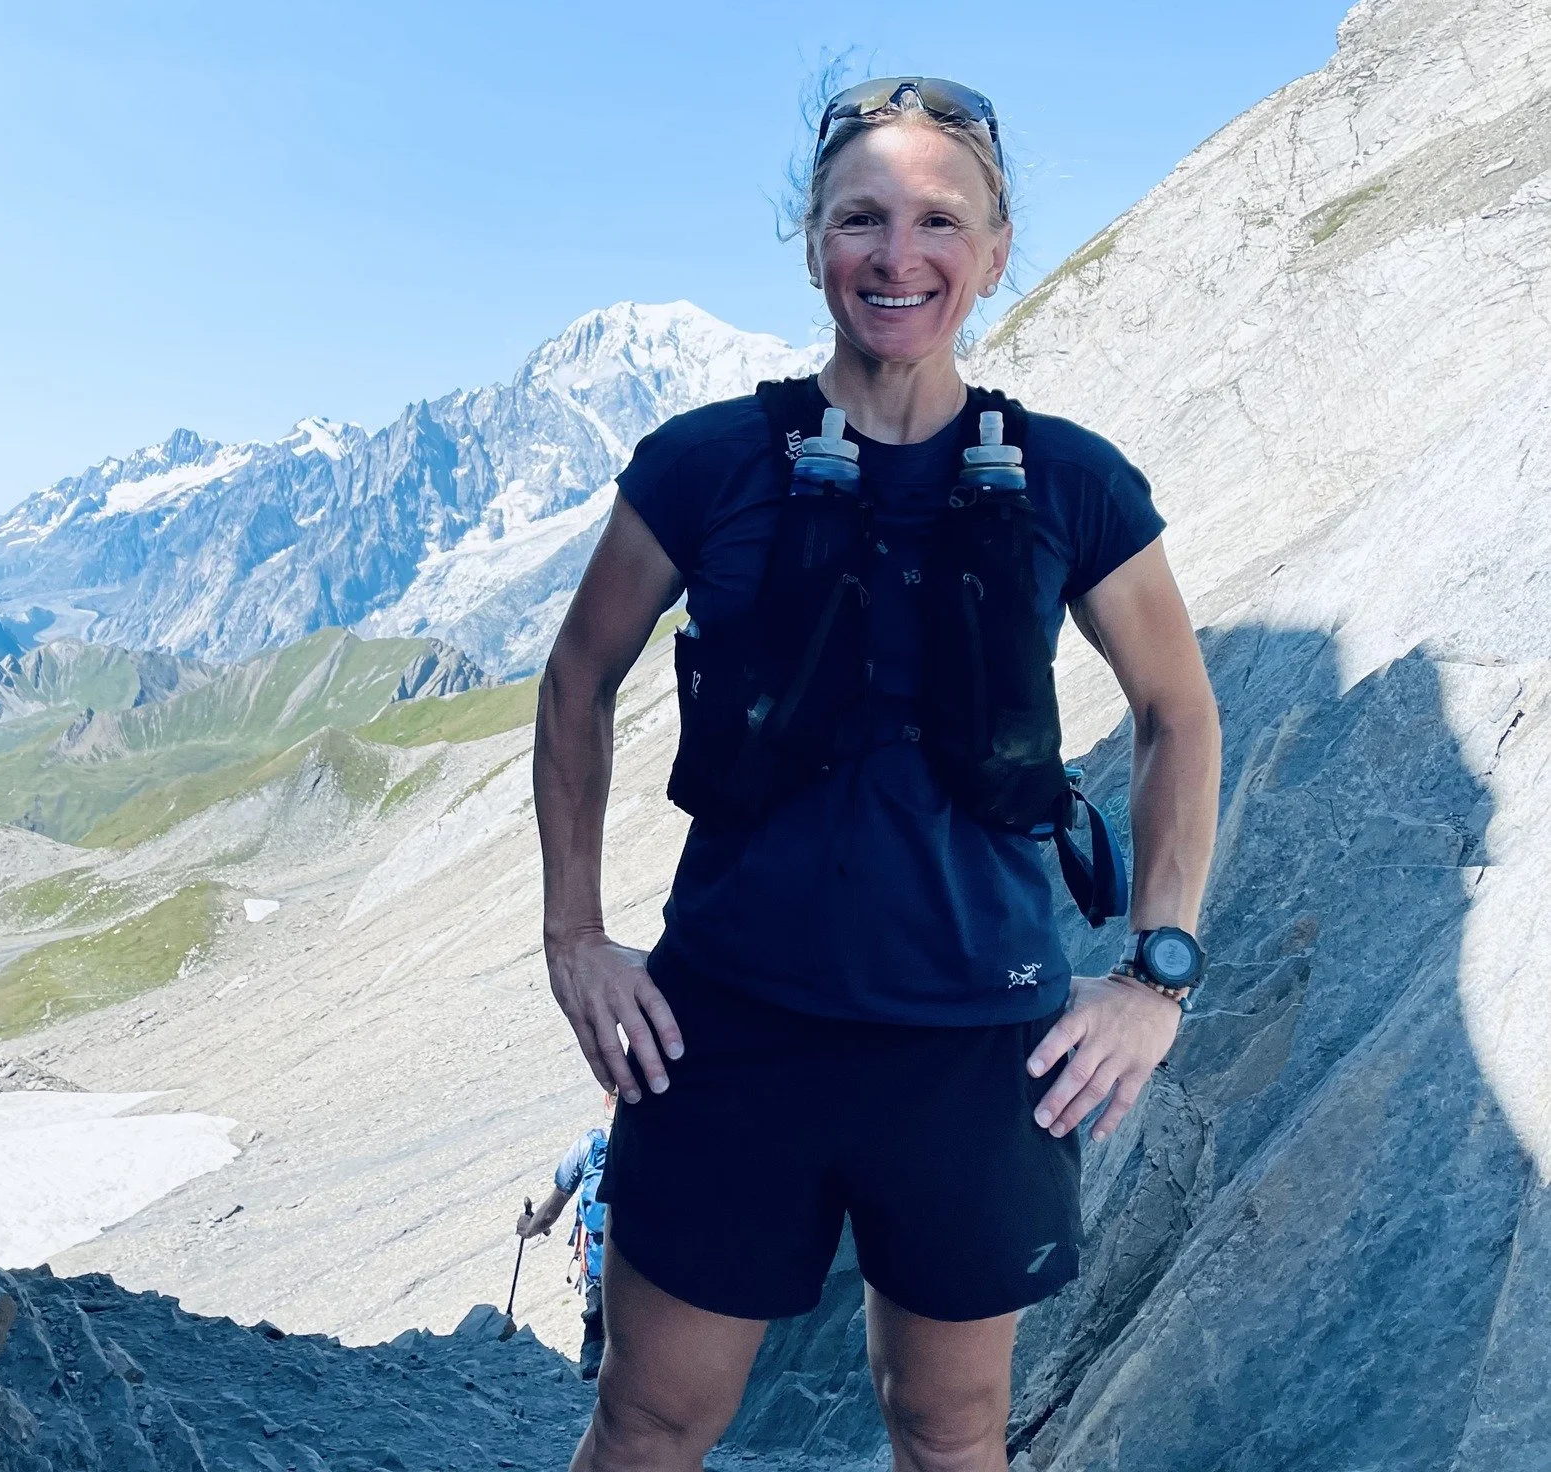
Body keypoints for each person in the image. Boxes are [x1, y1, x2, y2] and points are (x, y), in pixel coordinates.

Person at [532, 78, 1222, 1472]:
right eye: (860, 219)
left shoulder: (1071, 481)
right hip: (727, 1029)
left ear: (995, 249)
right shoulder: (703, 466)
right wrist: (574, 938)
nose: (896, 256)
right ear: (811, 243)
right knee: (652, 1418)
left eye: (936, 221)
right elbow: (575, 680)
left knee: (948, 1425)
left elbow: (1177, 713)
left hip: (975, 1047)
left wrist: (1155, 977)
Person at [518, 1090, 618, 1378]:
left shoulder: (588, 1146)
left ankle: (592, 1377)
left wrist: (529, 1228)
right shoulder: (656, 1143)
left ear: (607, 1101)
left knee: (597, 1331)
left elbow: (552, 1209)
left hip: (599, 1267)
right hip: (643, 1270)